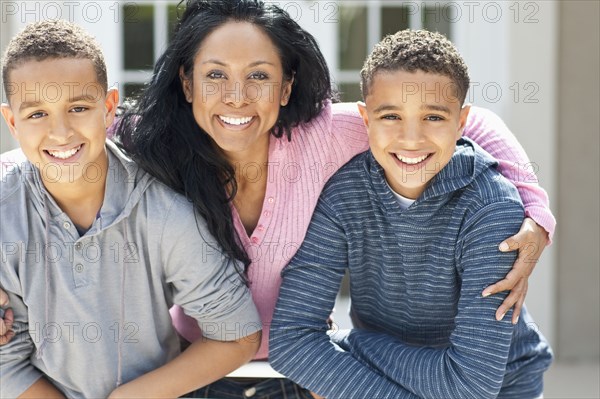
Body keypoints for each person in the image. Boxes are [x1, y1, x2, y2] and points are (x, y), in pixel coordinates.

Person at [0, 0, 555, 398]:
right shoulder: (151, 141)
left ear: (286, 87)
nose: (236, 97)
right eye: (215, 75)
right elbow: (51, 147)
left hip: (308, 372)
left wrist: (537, 214)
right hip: (201, 372)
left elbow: (466, 120)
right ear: (188, 83)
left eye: (259, 76)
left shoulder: (328, 134)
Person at [269, 29, 553, 398]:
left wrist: (351, 344)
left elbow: (470, 385)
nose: (411, 139)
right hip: (382, 384)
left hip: (502, 388)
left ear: (462, 122)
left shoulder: (493, 210)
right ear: (365, 119)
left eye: (434, 117)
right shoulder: (342, 196)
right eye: (390, 116)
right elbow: (290, 341)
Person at [0, 19, 261, 398]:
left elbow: (237, 334)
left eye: (78, 107)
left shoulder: (165, 213)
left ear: (108, 108)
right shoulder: (6, 217)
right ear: (12, 122)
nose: (60, 132)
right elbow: (7, 360)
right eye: (37, 114)